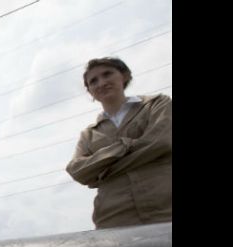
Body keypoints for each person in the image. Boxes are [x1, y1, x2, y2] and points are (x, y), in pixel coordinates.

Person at [66, 57, 171, 229]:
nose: (102, 82)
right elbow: (77, 170)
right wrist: (124, 145)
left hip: (166, 209)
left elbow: (161, 143)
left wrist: (103, 172)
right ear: (90, 92)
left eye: (107, 74)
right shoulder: (89, 134)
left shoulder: (157, 104)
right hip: (114, 220)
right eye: (93, 81)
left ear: (125, 76)